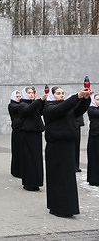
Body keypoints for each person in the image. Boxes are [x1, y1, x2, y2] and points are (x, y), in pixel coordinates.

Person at [43, 86, 92, 217]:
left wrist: (85, 99)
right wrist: (77, 96)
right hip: (56, 146)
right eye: (58, 93)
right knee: (58, 178)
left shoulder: (67, 107)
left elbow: (79, 110)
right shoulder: (48, 108)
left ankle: (67, 207)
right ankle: (58, 207)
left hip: (68, 145)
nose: (61, 95)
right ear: (52, 95)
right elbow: (61, 108)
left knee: (67, 178)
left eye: (63, 93)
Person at [18, 86, 47, 191]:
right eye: (29, 93)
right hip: (27, 133)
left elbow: (42, 111)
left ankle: (36, 182)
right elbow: (28, 110)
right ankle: (29, 183)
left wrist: (44, 102)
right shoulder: (22, 104)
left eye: (32, 92)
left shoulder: (35, 103)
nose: (31, 94)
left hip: (36, 133)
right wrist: (40, 100)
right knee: (29, 158)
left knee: (36, 158)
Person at [8, 90, 22, 178]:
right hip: (17, 130)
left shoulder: (20, 105)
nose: (19, 98)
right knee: (17, 151)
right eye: (17, 96)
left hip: (21, 129)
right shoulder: (12, 105)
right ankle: (16, 170)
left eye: (20, 96)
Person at [87, 94, 99, 186]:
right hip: (95, 136)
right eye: (97, 99)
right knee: (95, 157)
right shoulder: (91, 109)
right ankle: (94, 179)